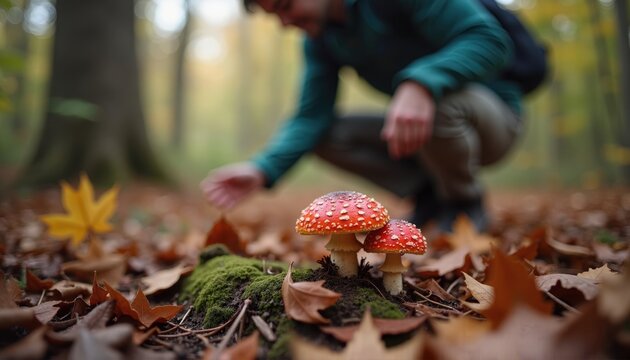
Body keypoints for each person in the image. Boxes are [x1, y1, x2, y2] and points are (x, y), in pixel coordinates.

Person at [200, 0, 525, 232]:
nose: (285, 23)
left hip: (491, 119)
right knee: (324, 135)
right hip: (429, 134)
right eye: (275, 16)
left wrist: (421, 82)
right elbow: (311, 117)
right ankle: (429, 196)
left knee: (440, 105)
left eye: (285, 6)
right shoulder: (321, 40)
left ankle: (463, 204)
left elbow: (490, 40)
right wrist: (263, 167)